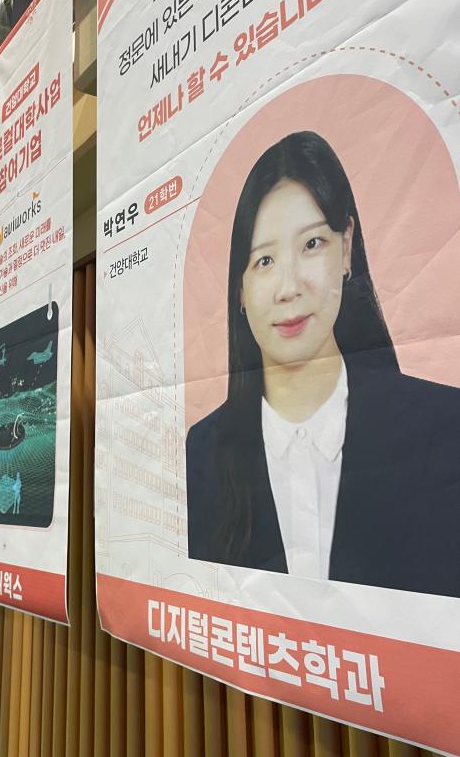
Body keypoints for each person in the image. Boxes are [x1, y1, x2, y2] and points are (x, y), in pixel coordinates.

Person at [186, 131, 460, 598]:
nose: (288, 287)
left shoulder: (443, 427)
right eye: (264, 260)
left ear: (346, 247)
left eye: (312, 244)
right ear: (240, 290)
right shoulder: (204, 452)